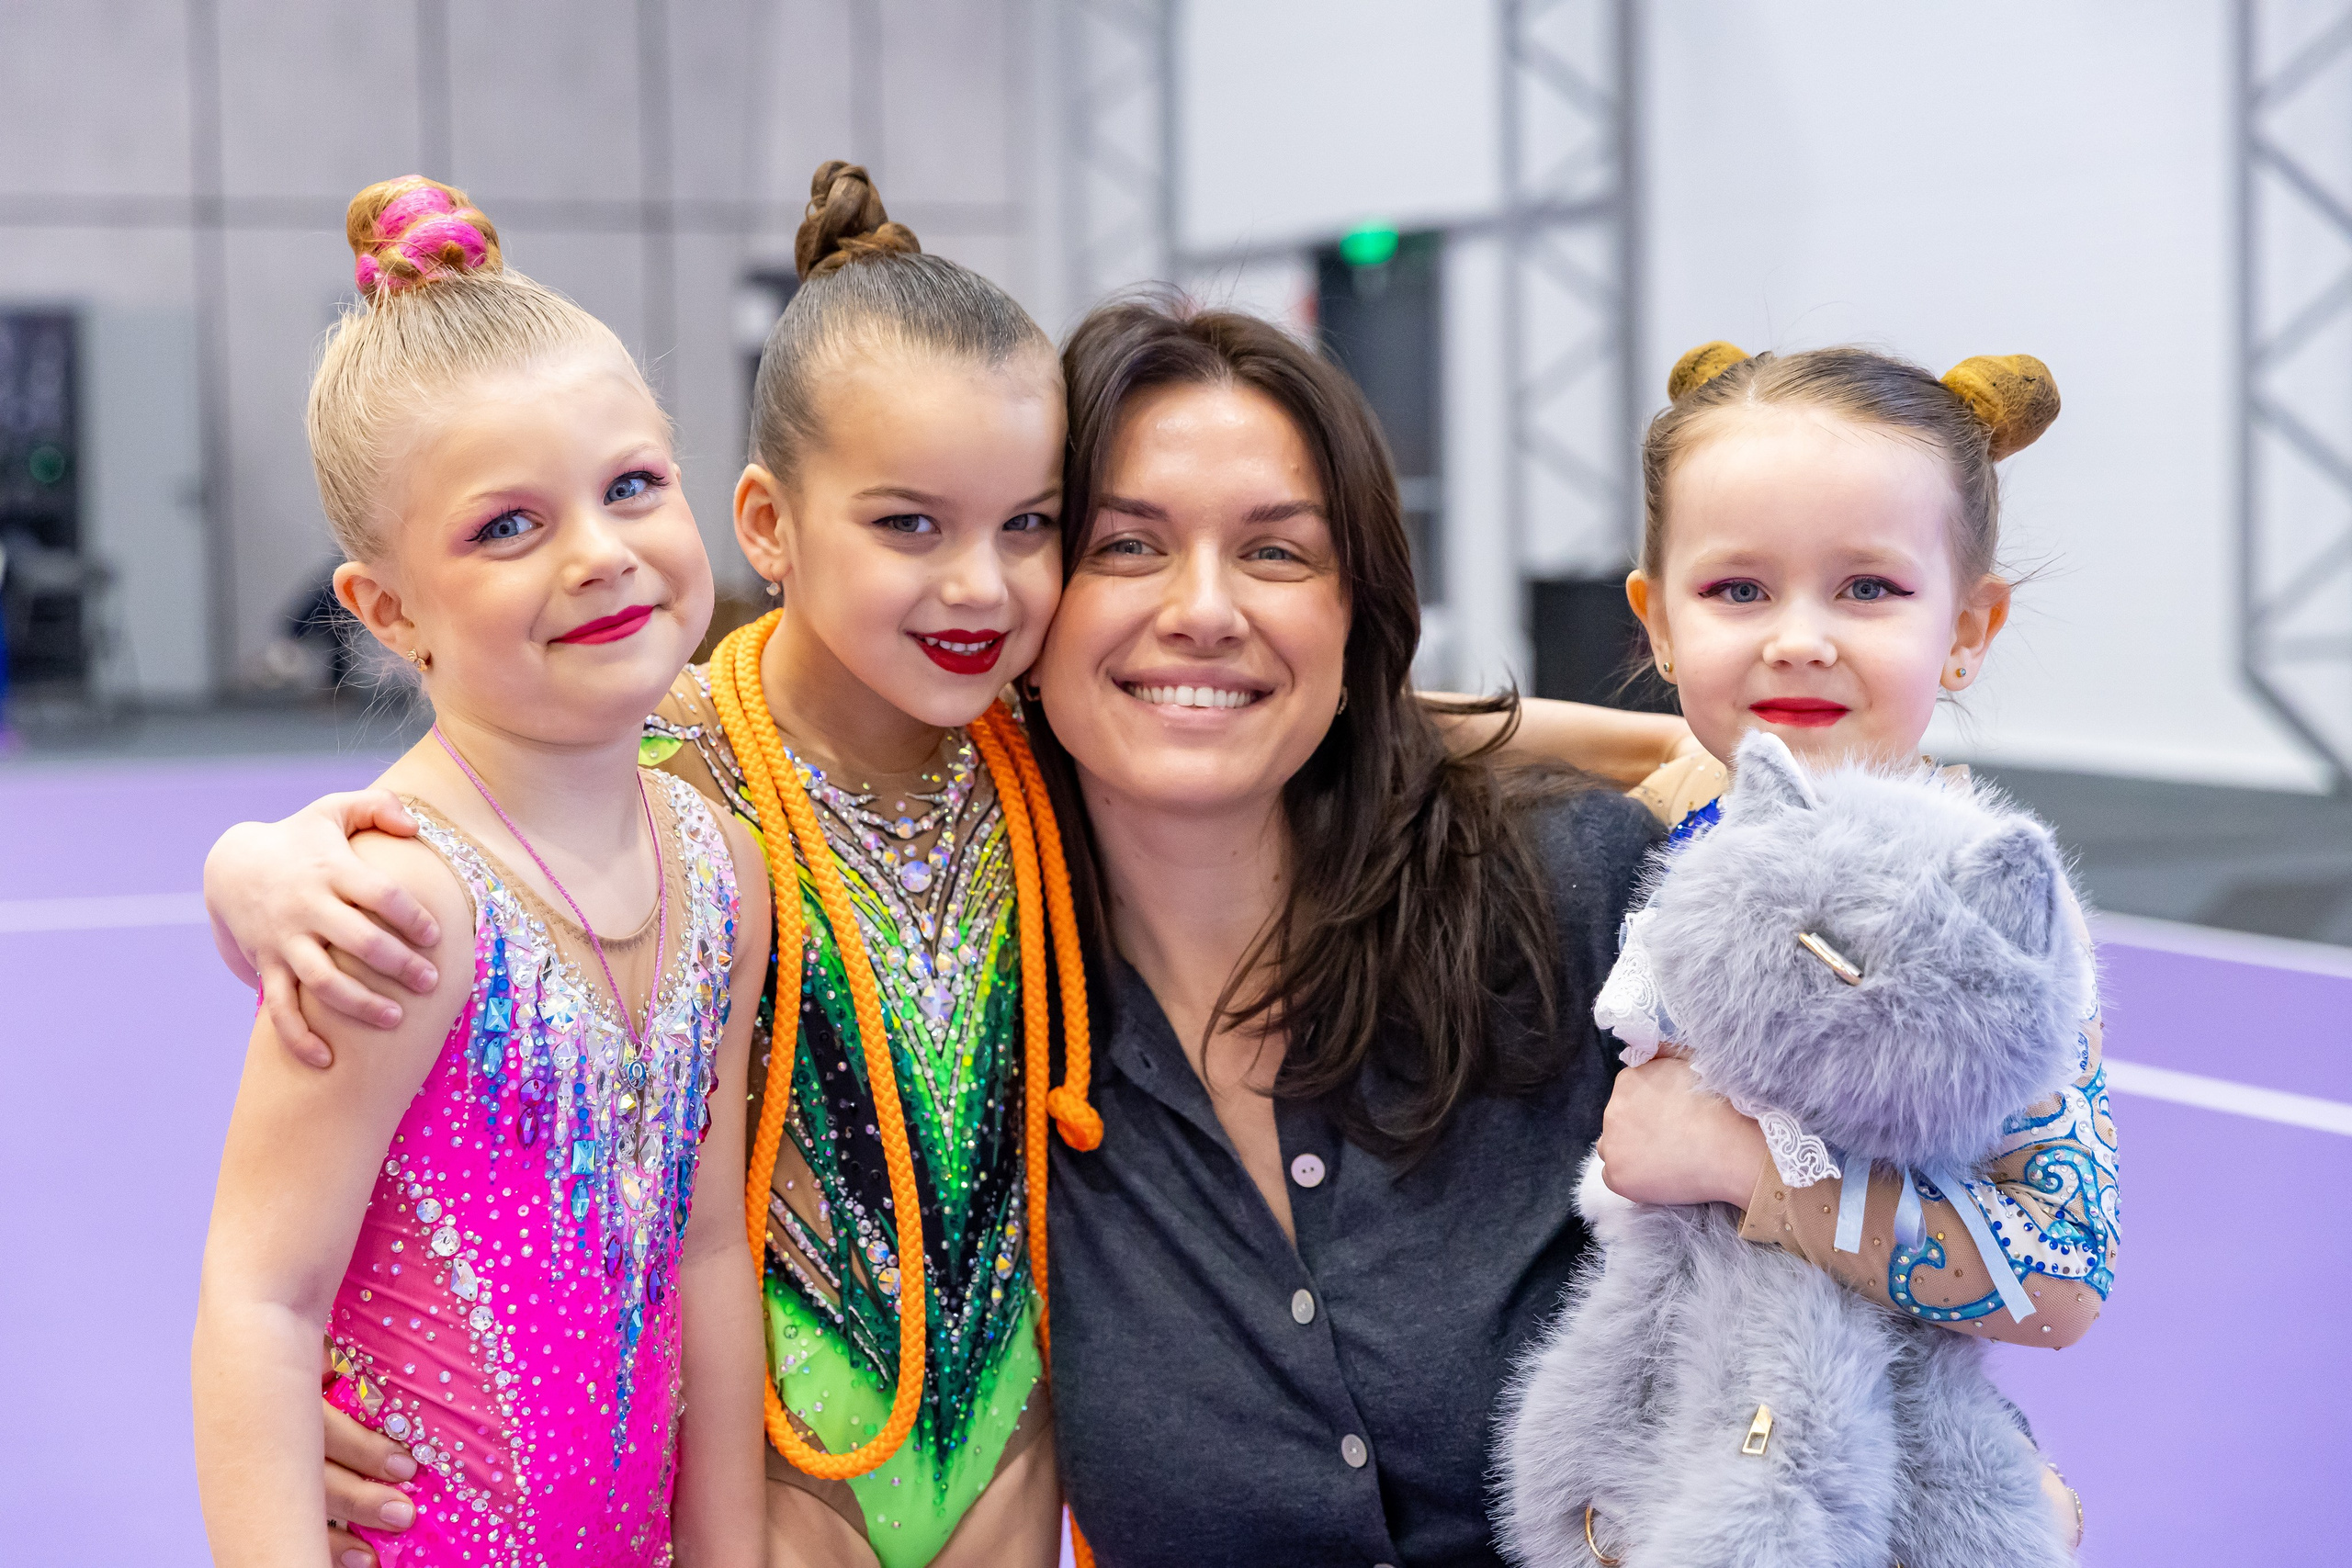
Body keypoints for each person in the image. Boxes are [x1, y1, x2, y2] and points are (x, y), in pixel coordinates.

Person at [200, 175, 1703, 1568]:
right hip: (784, 1480)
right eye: (913, 525)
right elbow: (486, 780)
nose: (979, 583)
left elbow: (1351, 711)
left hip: (1007, 1473)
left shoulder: (1019, 729)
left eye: (1029, 528)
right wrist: (259, 858)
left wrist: (1674, 749)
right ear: (770, 527)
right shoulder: (691, 756)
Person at [189, 176, 770, 1567]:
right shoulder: (398, 902)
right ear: (390, 610)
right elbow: (259, 1295)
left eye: (632, 485)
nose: (599, 553)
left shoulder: (721, 862)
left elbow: (705, 1250)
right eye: (507, 526)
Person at [1596, 344, 2115, 1365]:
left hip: (1851, 1458)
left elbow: (2063, 1278)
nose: (1798, 639)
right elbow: (1467, 726)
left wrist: (1744, 1167)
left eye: (1867, 587)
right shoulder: (1669, 810)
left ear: (1966, 629)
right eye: (1738, 591)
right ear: (1658, 623)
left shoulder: (1986, 911)